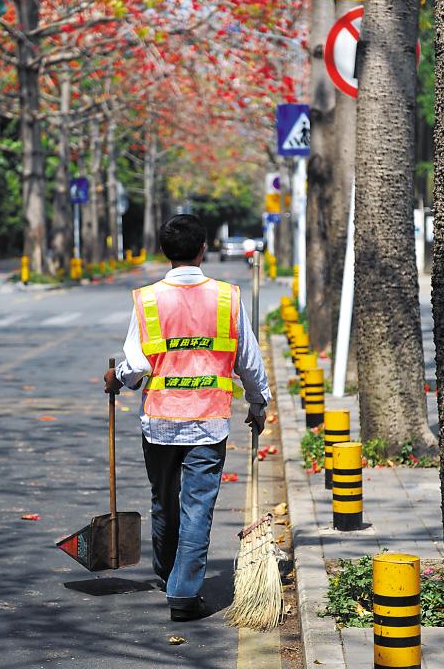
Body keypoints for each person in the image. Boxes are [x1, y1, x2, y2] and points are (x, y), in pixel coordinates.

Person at [104, 214, 271, 622]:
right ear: (202, 251)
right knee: (197, 508)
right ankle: (182, 590)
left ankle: (167, 574)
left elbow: (136, 366)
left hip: (159, 422)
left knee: (164, 502)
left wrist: (117, 378)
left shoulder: (148, 299)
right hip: (208, 421)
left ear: (166, 252)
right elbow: (247, 358)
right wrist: (257, 401)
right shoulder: (228, 298)